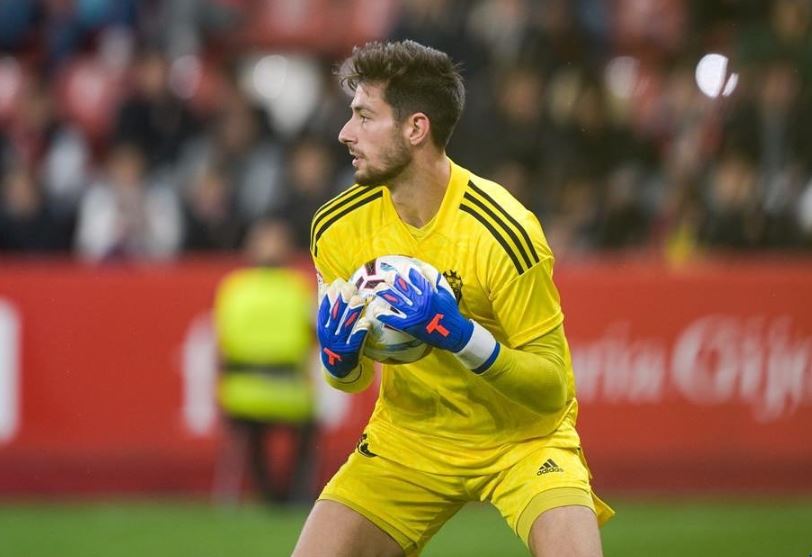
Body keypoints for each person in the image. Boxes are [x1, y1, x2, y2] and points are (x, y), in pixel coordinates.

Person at [293, 40, 614, 557]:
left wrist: (462, 336)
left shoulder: (505, 231)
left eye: (363, 116)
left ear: (415, 128)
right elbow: (349, 383)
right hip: (409, 438)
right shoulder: (335, 228)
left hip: (522, 441)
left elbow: (553, 388)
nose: (344, 133)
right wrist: (338, 357)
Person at [212, 217, 316, 505]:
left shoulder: (233, 288)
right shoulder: (299, 287)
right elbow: (316, 336)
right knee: (308, 426)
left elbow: (222, 345)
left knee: (251, 428)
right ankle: (296, 494)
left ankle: (266, 491)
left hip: (241, 394)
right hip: (289, 394)